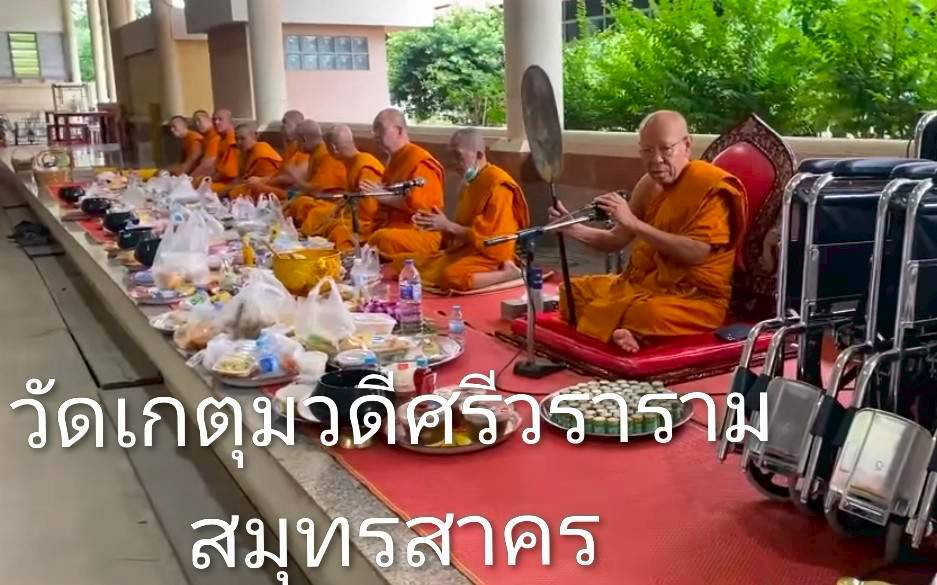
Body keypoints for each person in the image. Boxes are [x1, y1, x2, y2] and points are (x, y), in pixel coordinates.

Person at [549, 110, 747, 353]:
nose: (656, 159)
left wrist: (633, 222)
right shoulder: (648, 184)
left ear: (686, 145)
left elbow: (697, 253)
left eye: (665, 149)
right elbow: (615, 239)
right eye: (647, 150)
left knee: (648, 314)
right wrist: (572, 228)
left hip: (693, 299)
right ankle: (627, 332)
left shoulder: (708, 187)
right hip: (643, 286)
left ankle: (625, 328)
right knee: (571, 292)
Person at [400, 128, 528, 291]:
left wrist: (449, 226)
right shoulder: (471, 183)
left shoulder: (498, 187)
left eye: (458, 156)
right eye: (451, 155)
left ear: (479, 155)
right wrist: (440, 225)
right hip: (467, 251)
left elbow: (495, 243)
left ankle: (508, 273)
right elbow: (462, 229)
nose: (453, 162)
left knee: (451, 277)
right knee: (405, 263)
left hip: (491, 257)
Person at [365, 108, 445, 257]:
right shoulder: (394, 160)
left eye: (380, 129)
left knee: (382, 238)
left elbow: (420, 207)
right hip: (393, 227)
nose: (376, 136)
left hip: (420, 232)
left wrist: (384, 196)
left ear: (399, 130)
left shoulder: (420, 161)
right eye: (374, 131)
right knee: (366, 234)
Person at [306, 124, 385, 250]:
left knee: (339, 231)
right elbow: (348, 196)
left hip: (369, 222)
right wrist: (337, 210)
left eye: (327, 148)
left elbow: (370, 211)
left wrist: (342, 213)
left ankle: (344, 256)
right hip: (352, 213)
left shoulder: (365, 165)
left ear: (333, 148)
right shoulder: (352, 162)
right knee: (318, 214)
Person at [284, 119, 347, 224]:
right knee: (295, 202)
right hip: (321, 200)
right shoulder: (316, 153)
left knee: (302, 204)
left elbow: (319, 191)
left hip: (334, 204)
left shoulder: (326, 154)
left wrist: (298, 180)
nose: (297, 145)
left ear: (304, 139)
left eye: (297, 141)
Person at [244, 110, 309, 198]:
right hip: (283, 187)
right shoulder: (291, 147)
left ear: (298, 125)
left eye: (285, 122)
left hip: (294, 192)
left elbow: (292, 179)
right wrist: (261, 179)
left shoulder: (305, 148)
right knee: (247, 187)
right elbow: (281, 172)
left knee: (253, 188)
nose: (282, 127)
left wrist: (263, 181)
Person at [217, 123, 283, 198]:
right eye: (236, 139)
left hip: (270, 187)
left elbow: (262, 181)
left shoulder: (261, 151)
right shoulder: (243, 153)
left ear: (254, 136)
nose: (239, 142)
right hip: (250, 185)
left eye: (242, 139)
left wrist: (227, 190)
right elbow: (241, 178)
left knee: (235, 192)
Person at [190, 109, 219, 180]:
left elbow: (207, 165)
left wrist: (188, 179)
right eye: (195, 122)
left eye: (199, 120)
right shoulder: (203, 139)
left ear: (209, 119)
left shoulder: (216, 137)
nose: (197, 124)